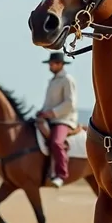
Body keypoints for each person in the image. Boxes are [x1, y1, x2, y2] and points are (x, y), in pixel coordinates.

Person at [36, 51, 78, 188]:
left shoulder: (67, 80)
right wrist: (42, 112)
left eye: (52, 64)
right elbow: (48, 103)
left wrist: (51, 113)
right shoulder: (52, 81)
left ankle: (61, 175)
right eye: (50, 64)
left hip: (64, 119)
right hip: (50, 118)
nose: (50, 66)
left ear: (60, 64)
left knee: (56, 142)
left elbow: (70, 103)